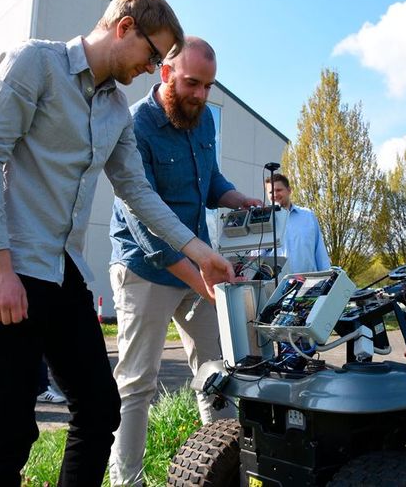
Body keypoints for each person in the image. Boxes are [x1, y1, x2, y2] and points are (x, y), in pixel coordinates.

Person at [0, 0, 233, 487]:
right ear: (124, 27)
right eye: (153, 55)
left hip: (62, 270)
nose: (153, 69)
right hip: (8, 266)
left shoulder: (113, 110)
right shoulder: (34, 64)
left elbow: (138, 192)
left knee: (101, 409)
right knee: (10, 433)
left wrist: (199, 252)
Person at [107, 36, 261, 486]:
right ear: (165, 73)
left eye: (209, 86)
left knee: (216, 373)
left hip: (198, 268)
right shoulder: (135, 125)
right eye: (192, 83)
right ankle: (127, 481)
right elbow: (145, 228)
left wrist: (237, 198)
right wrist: (200, 281)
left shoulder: (204, 120)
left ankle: (224, 471)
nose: (200, 95)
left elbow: (209, 179)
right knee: (137, 382)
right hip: (145, 269)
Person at [265, 173, 331, 273]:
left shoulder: (308, 216)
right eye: (270, 192)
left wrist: (326, 277)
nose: (274, 194)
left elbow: (320, 252)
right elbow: (257, 260)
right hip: (276, 286)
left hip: (308, 284)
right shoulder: (262, 221)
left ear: (289, 190)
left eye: (278, 190)